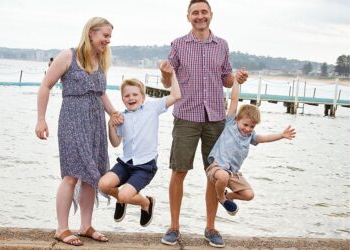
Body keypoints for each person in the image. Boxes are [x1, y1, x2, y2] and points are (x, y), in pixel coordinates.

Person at [159, 0, 248, 248]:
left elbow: (227, 80)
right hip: (186, 115)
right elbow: (168, 82)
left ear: (211, 15)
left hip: (216, 119)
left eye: (204, 12)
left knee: (215, 175)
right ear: (188, 17)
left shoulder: (222, 45)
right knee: (179, 171)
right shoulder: (178, 44)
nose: (200, 16)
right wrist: (166, 72)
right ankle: (174, 227)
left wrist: (237, 78)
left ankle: (211, 228)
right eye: (195, 12)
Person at [35, 17, 122, 246]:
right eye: (105, 35)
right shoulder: (68, 56)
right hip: (72, 120)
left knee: (92, 177)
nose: (108, 40)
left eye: (110, 36)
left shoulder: (101, 60)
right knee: (71, 174)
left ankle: (85, 225)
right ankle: (61, 228)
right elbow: (45, 85)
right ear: (91, 33)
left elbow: (101, 92)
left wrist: (113, 113)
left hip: (95, 123)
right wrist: (41, 119)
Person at [98, 61, 181, 228]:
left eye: (135, 95)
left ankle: (146, 203)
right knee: (103, 185)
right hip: (125, 163)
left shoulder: (152, 107)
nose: (131, 98)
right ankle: (123, 199)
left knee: (123, 195)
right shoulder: (121, 117)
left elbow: (176, 96)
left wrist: (172, 75)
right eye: (127, 96)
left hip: (145, 166)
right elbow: (115, 143)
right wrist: (110, 125)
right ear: (122, 98)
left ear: (143, 97)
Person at [206, 80, 296, 220]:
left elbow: (264, 138)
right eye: (245, 124)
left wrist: (281, 135)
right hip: (217, 167)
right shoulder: (230, 123)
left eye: (252, 127)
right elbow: (234, 100)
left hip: (233, 173)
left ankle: (227, 196)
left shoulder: (250, 136)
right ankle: (221, 198)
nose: (248, 129)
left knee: (249, 195)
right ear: (237, 119)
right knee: (222, 176)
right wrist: (236, 81)